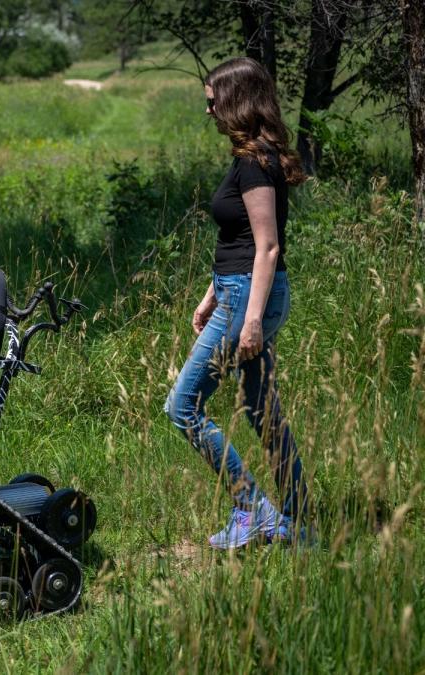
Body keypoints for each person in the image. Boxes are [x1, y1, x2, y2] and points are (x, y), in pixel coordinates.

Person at [165, 57, 311, 549]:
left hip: (249, 297)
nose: (208, 111)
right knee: (262, 411)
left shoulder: (253, 163)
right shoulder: (253, 155)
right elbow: (241, 240)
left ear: (235, 101)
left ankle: (252, 507)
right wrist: (210, 294)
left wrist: (249, 319)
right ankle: (299, 521)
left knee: (182, 406)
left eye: (213, 101)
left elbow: (267, 246)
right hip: (237, 291)